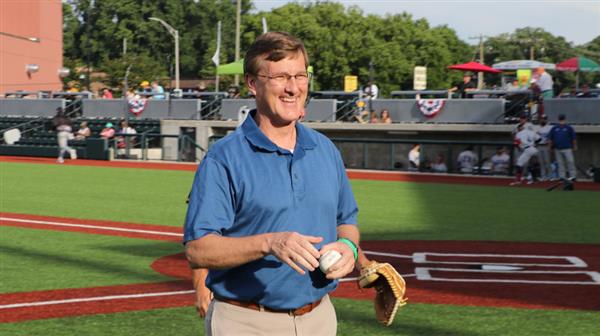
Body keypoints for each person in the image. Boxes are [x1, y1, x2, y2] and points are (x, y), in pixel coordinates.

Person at [184, 32, 359, 336]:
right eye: (280, 77)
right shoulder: (223, 158)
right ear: (253, 83)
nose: (293, 88)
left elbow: (347, 220)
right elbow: (198, 250)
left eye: (300, 75)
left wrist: (349, 248)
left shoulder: (325, 149)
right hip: (247, 321)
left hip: (319, 318)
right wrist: (269, 242)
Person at [548, 114, 577, 181]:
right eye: (561, 119)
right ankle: (562, 177)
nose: (561, 120)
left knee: (570, 161)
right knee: (560, 163)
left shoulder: (568, 127)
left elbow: (573, 138)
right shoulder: (555, 128)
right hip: (557, 148)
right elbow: (550, 138)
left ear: (564, 119)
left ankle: (573, 176)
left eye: (562, 118)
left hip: (567, 148)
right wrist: (550, 147)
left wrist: (575, 145)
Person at [535, 115, 553, 180]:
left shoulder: (549, 127)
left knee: (547, 161)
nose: (543, 120)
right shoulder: (537, 128)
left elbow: (551, 138)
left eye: (544, 119)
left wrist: (550, 146)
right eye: (542, 119)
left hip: (546, 145)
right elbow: (535, 138)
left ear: (546, 120)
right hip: (539, 146)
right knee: (541, 162)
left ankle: (550, 176)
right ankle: (543, 176)